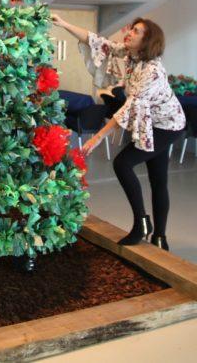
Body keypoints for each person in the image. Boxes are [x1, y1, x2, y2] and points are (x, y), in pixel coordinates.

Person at [53, 14, 185, 250]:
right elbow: (96, 41)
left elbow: (128, 109)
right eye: (131, 29)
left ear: (148, 40)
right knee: (158, 178)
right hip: (152, 122)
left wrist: (97, 136)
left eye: (137, 31)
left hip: (168, 125)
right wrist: (63, 23)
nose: (130, 33)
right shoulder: (129, 56)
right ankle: (159, 238)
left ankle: (142, 225)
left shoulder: (152, 71)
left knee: (124, 164)